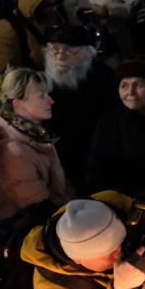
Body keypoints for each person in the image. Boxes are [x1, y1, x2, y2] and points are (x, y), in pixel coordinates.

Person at [0, 67, 73, 227]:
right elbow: (39, 210)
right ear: (19, 104)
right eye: (42, 96)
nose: (51, 101)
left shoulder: (25, 129)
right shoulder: (13, 151)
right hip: (26, 235)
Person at [42, 24, 118, 192]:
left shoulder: (106, 78)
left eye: (69, 50)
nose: (60, 56)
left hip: (98, 157)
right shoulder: (39, 81)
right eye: (54, 49)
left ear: (86, 53)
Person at [85, 56, 145, 195]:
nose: (130, 92)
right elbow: (95, 172)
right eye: (124, 86)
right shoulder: (108, 123)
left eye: (139, 85)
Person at [0, 0, 66, 71]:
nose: (54, 8)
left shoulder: (61, 14)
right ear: (34, 1)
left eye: (57, 2)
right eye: (47, 5)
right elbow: (10, 75)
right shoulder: (8, 27)